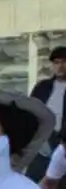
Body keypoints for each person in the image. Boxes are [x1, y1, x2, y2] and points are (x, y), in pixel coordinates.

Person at [29, 47, 66, 175]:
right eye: (56, 62)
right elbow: (31, 111)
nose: (60, 66)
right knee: (33, 179)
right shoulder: (42, 87)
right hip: (43, 138)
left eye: (63, 62)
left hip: (62, 141)